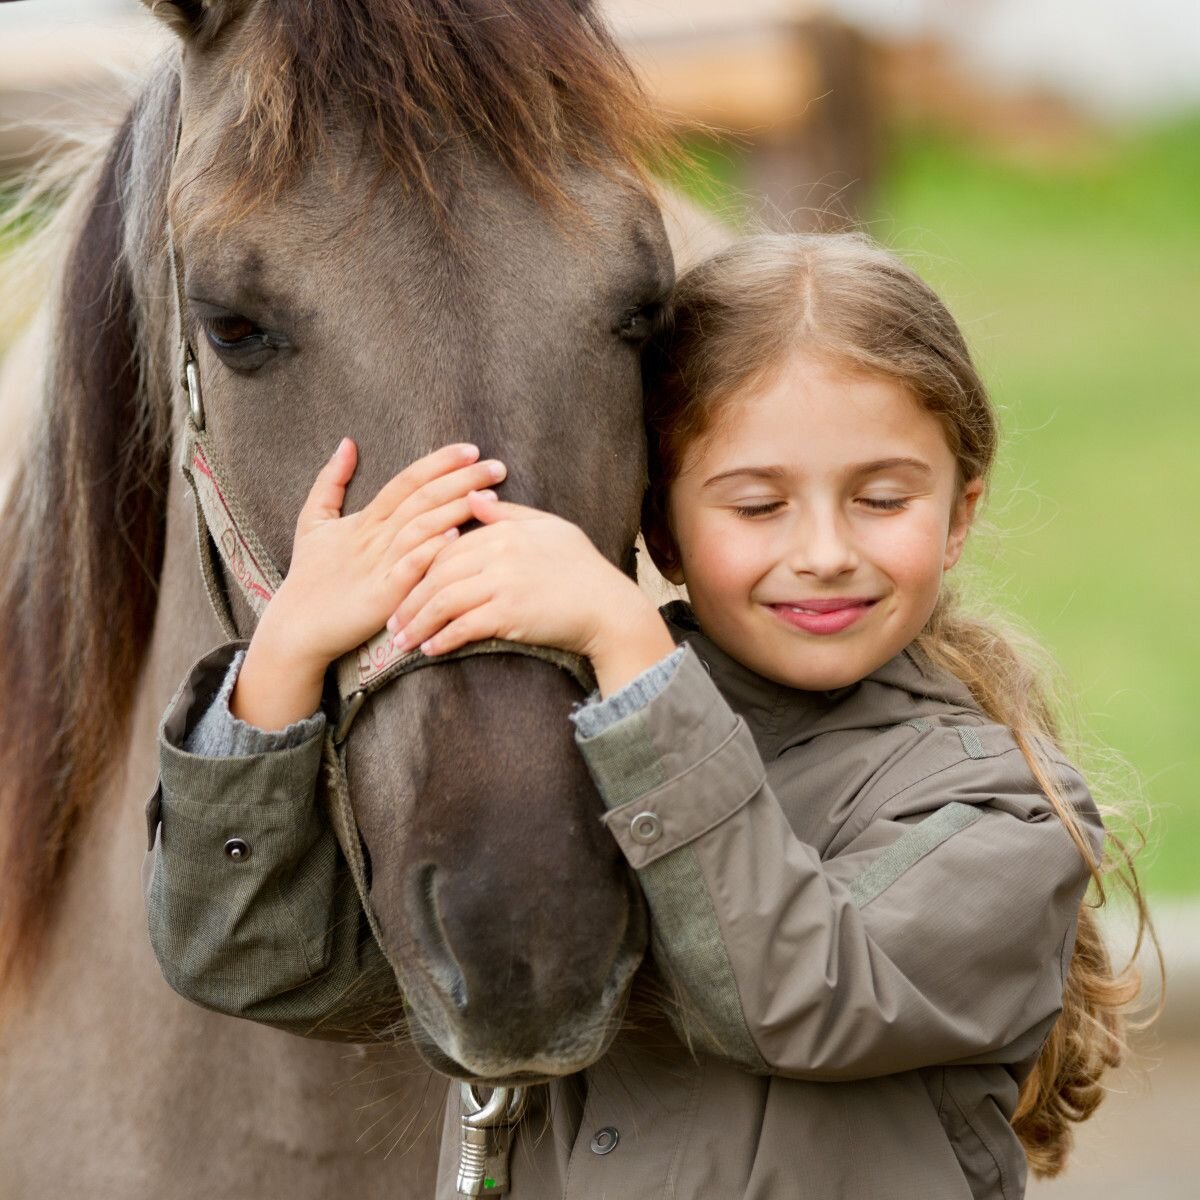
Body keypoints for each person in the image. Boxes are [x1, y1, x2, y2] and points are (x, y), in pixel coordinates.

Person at [145, 232, 1150, 1199]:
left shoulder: (1005, 810)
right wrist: (286, 654)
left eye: (882, 499)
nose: (826, 550)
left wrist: (632, 654)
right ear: (661, 528)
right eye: (758, 508)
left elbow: (805, 996)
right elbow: (262, 965)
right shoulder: (558, 747)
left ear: (959, 514)